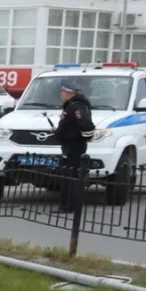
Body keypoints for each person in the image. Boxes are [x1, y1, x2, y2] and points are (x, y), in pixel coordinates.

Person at [53, 81, 94, 215]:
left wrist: (81, 138)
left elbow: (86, 124)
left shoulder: (77, 106)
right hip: (69, 144)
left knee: (70, 175)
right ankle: (66, 204)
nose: (61, 94)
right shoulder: (70, 106)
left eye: (62, 92)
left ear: (69, 92)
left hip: (74, 146)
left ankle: (68, 205)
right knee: (67, 174)